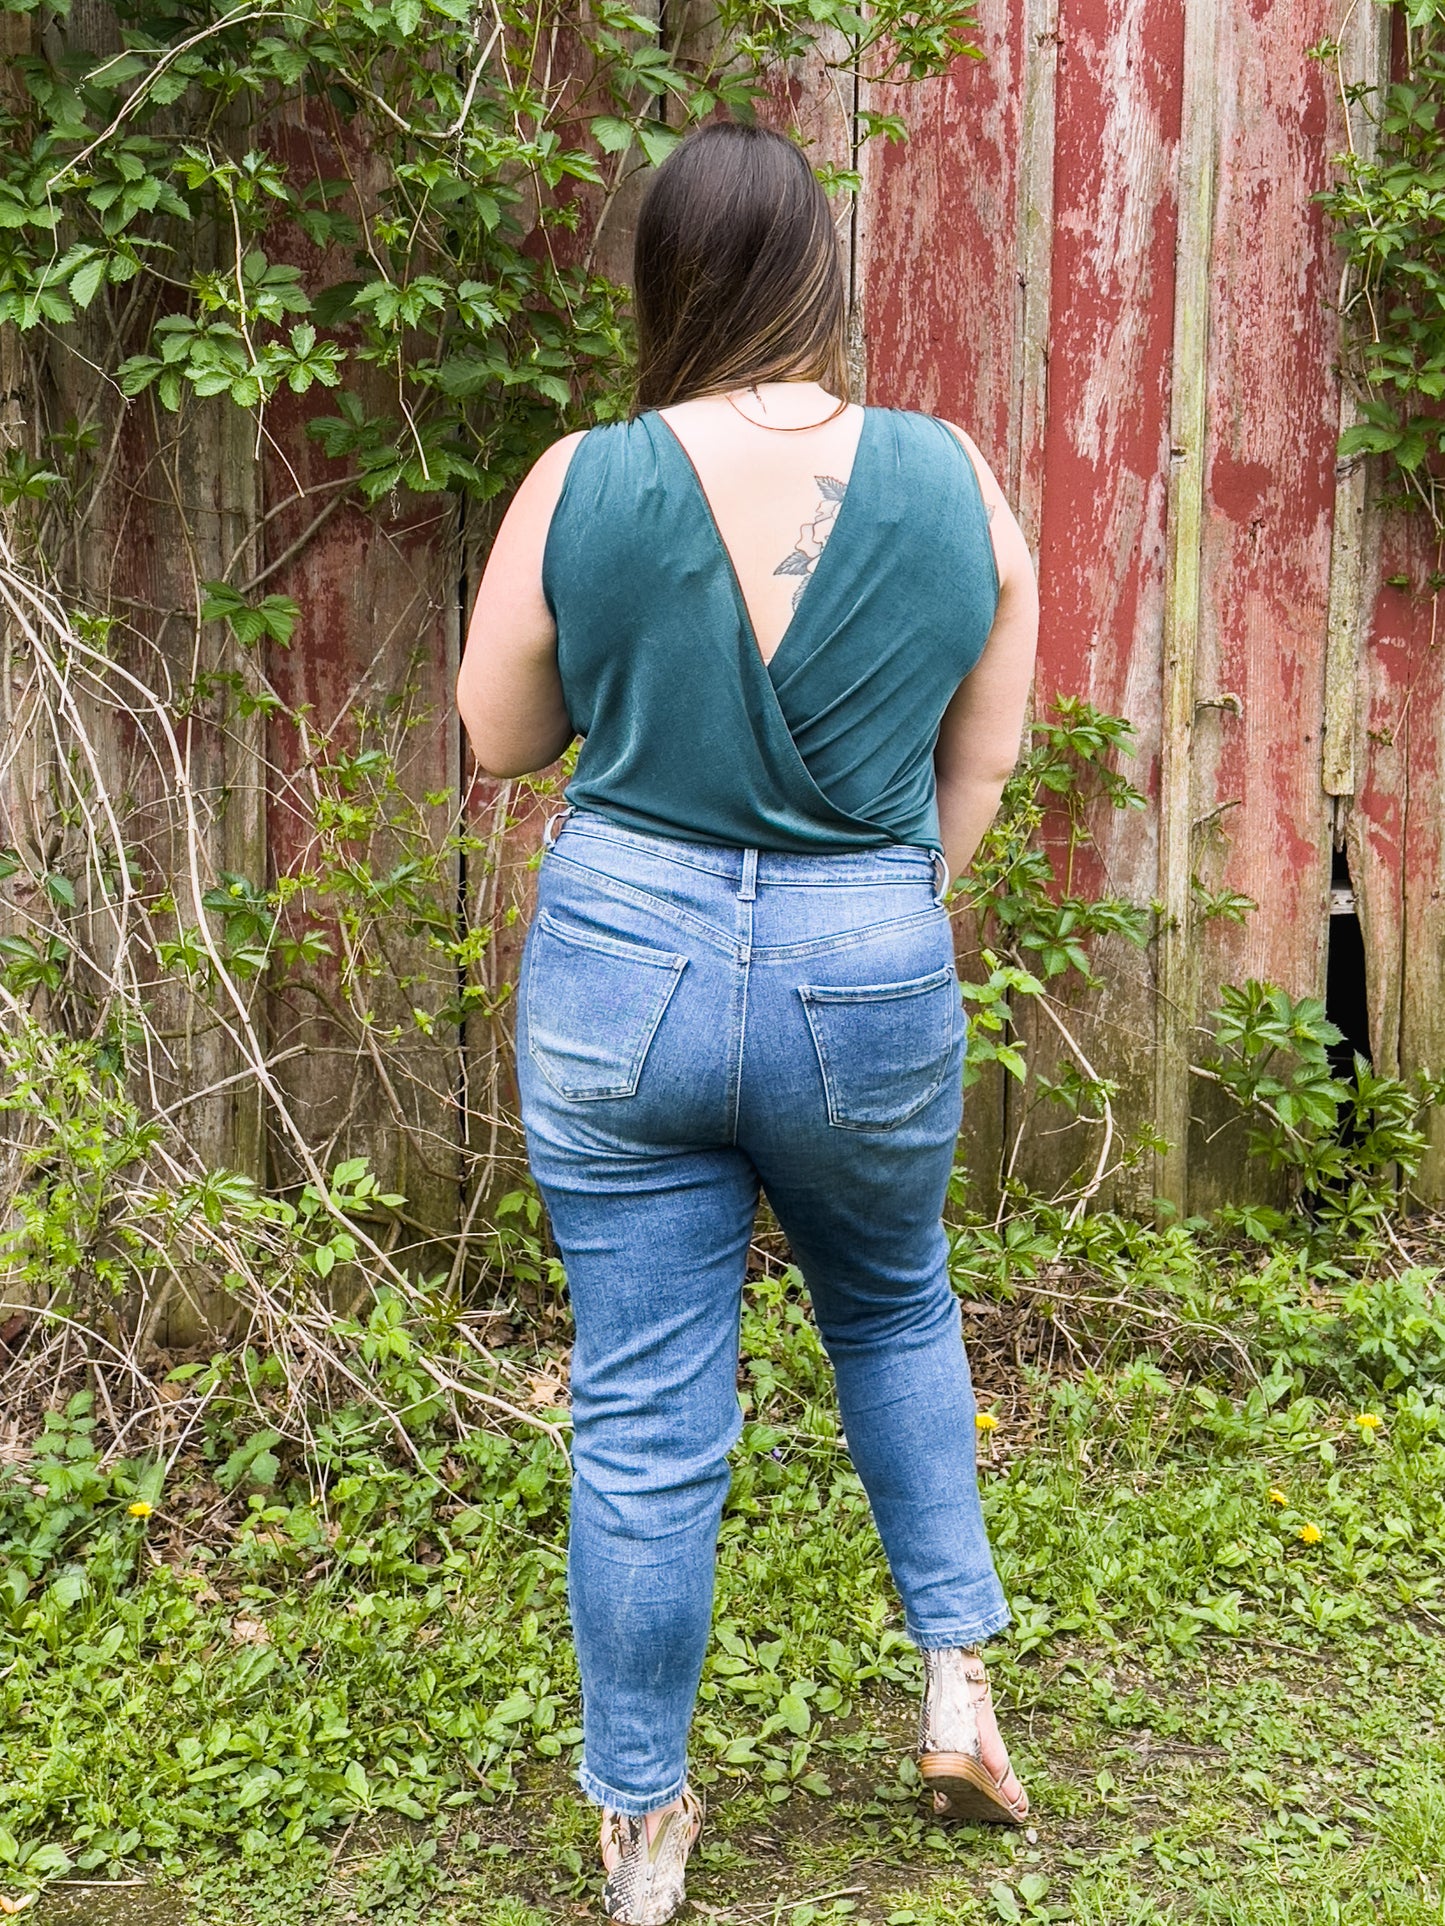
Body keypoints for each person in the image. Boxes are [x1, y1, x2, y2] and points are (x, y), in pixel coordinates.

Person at [457, 120, 1039, 1926]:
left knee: (641, 1404)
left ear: (664, 278)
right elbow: (986, 755)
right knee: (891, 1301)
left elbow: (494, 736)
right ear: (820, 277)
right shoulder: (955, 480)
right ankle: (956, 1691)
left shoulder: (581, 476)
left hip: (622, 965)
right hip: (865, 956)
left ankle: (640, 1833)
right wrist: (867, 905)